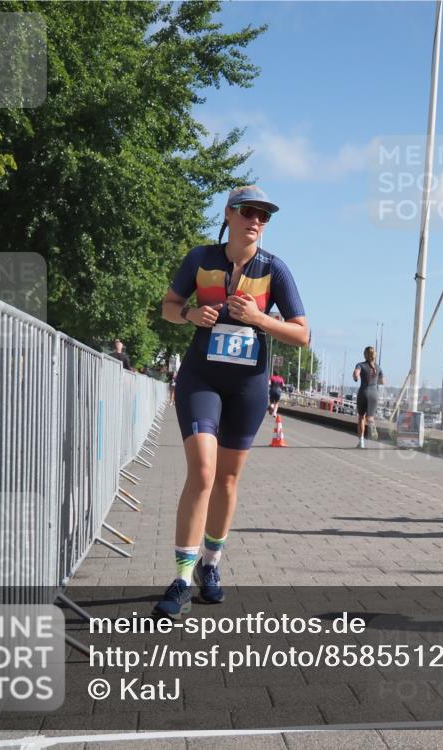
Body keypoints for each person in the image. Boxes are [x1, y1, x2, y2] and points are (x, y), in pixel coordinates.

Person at [155, 185, 309, 618]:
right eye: (248, 211)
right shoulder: (200, 258)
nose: (256, 220)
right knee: (202, 473)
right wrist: (188, 314)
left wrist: (260, 319)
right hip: (201, 377)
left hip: (248, 386)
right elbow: (167, 306)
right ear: (229, 214)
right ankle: (181, 579)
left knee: (226, 480)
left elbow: (301, 333)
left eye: (264, 215)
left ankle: (211, 565)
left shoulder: (274, 269)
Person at [352, 346, 384, 448]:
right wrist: (374, 381)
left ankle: (361, 441)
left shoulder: (360, 365)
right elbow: (383, 382)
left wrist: (356, 377)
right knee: (370, 417)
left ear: (365, 355)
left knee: (361, 417)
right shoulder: (378, 367)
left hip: (363, 393)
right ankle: (371, 425)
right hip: (374, 394)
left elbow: (356, 374)